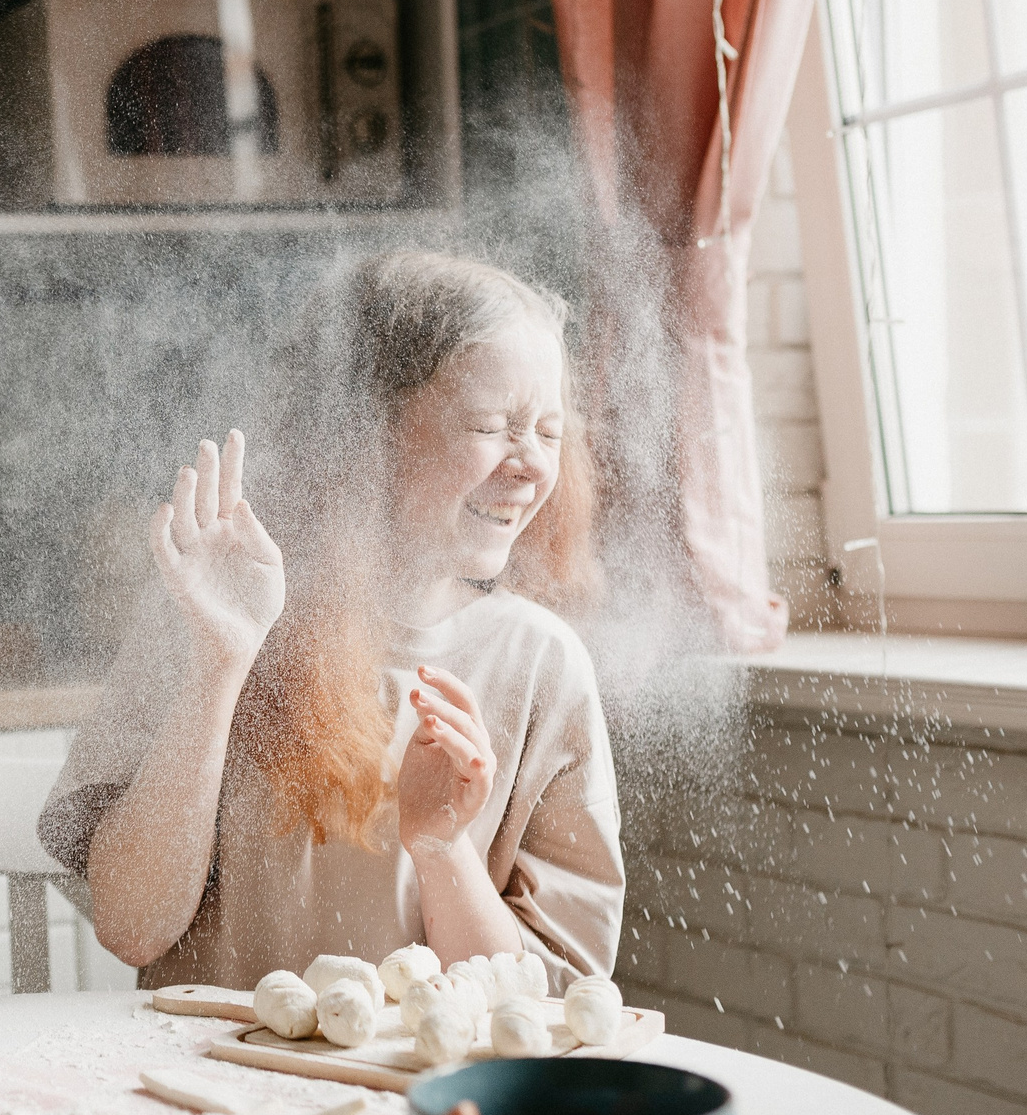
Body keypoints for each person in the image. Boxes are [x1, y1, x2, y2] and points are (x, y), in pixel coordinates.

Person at [42, 251, 621, 991]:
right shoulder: (217, 609)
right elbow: (131, 928)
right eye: (492, 426)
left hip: (423, 1070)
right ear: (365, 431)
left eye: (548, 431)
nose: (532, 464)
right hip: (210, 1064)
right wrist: (219, 667)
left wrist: (442, 848)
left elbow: (547, 1002)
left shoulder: (543, 665)